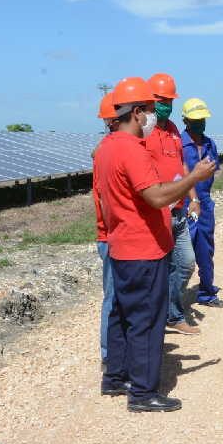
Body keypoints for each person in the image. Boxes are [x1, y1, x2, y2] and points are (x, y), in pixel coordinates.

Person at [95, 77, 216, 413]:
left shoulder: (105, 148)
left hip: (121, 243)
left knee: (122, 313)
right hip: (143, 248)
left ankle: (116, 377)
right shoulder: (131, 150)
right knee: (147, 320)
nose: (153, 117)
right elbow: (156, 196)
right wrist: (193, 179)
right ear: (137, 112)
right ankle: (144, 393)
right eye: (149, 109)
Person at [144, 72, 199, 335]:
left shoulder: (174, 130)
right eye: (160, 100)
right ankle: (167, 315)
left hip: (178, 211)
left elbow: (182, 164)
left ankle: (171, 312)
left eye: (169, 100)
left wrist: (193, 197)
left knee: (186, 263)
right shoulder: (143, 131)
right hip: (158, 211)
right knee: (160, 268)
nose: (165, 105)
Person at [180, 97, 223, 309]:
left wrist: (202, 198)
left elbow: (212, 173)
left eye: (203, 119)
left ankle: (207, 291)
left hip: (204, 203)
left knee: (206, 249)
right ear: (185, 120)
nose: (200, 122)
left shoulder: (210, 144)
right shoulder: (178, 144)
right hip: (182, 205)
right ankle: (174, 300)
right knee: (181, 254)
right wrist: (190, 198)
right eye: (196, 119)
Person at [92, 92, 120, 368]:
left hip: (113, 235)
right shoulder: (107, 151)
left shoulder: (107, 148)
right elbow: (106, 199)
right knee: (113, 297)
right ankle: (108, 356)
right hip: (112, 236)